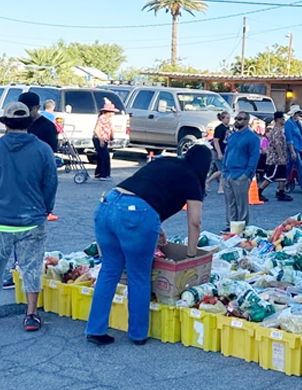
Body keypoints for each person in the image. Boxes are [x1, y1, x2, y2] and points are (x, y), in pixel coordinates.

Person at [85, 146, 211, 346]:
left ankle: (95, 329)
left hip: (106, 204)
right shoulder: (192, 178)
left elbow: (143, 189)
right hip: (137, 214)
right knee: (139, 274)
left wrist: (155, 226)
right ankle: (137, 334)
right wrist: (191, 254)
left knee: (109, 271)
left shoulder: (164, 162)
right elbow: (195, 222)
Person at [0, 102, 58, 331]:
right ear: (28, 122)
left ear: (6, 123)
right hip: (32, 220)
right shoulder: (42, 150)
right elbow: (50, 185)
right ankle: (31, 314)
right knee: (31, 267)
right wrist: (45, 210)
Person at [221, 111, 260, 227]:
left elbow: (254, 156)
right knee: (230, 204)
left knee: (241, 204)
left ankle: (242, 228)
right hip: (228, 174)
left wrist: (247, 173)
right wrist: (224, 171)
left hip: (241, 174)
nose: (237, 121)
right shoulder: (232, 136)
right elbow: (226, 153)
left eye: (241, 119)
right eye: (237, 118)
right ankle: (230, 227)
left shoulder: (252, 137)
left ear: (247, 121)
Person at [258, 111, 291, 202]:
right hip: (276, 159)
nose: (284, 120)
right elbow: (277, 145)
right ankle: (259, 191)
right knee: (271, 176)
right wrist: (281, 157)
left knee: (282, 175)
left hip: (281, 157)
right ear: (278, 119)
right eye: (282, 118)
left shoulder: (281, 130)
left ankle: (281, 192)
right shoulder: (276, 131)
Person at [284, 106, 302, 198]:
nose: (299, 115)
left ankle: (283, 182)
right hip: (293, 148)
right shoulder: (289, 124)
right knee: (300, 167)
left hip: (298, 148)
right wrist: (292, 151)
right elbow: (289, 138)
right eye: (298, 113)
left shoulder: (298, 123)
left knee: (289, 167)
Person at [205, 111, 231, 194]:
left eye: (229, 118)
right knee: (222, 170)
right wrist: (219, 153)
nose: (228, 120)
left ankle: (220, 188)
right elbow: (216, 141)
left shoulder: (227, 128)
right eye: (227, 118)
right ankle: (208, 182)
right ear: (222, 119)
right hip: (217, 151)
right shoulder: (219, 128)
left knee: (222, 170)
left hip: (224, 151)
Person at [93, 102, 118, 181]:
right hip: (100, 139)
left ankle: (99, 173)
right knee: (104, 157)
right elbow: (97, 130)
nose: (113, 113)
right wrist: (101, 140)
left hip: (105, 139)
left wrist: (111, 138)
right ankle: (103, 174)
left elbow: (109, 130)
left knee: (102, 156)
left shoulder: (108, 119)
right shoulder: (102, 118)